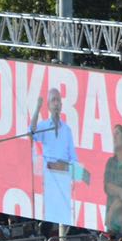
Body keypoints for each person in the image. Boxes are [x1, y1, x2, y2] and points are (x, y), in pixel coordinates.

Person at [30, 86, 87, 226]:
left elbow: (74, 159)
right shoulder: (44, 126)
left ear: (61, 105)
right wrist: (37, 108)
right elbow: (32, 131)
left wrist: (66, 168)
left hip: (64, 182)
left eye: (58, 100)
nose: (56, 103)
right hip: (50, 181)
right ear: (48, 105)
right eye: (53, 100)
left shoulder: (67, 130)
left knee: (65, 218)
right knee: (51, 216)